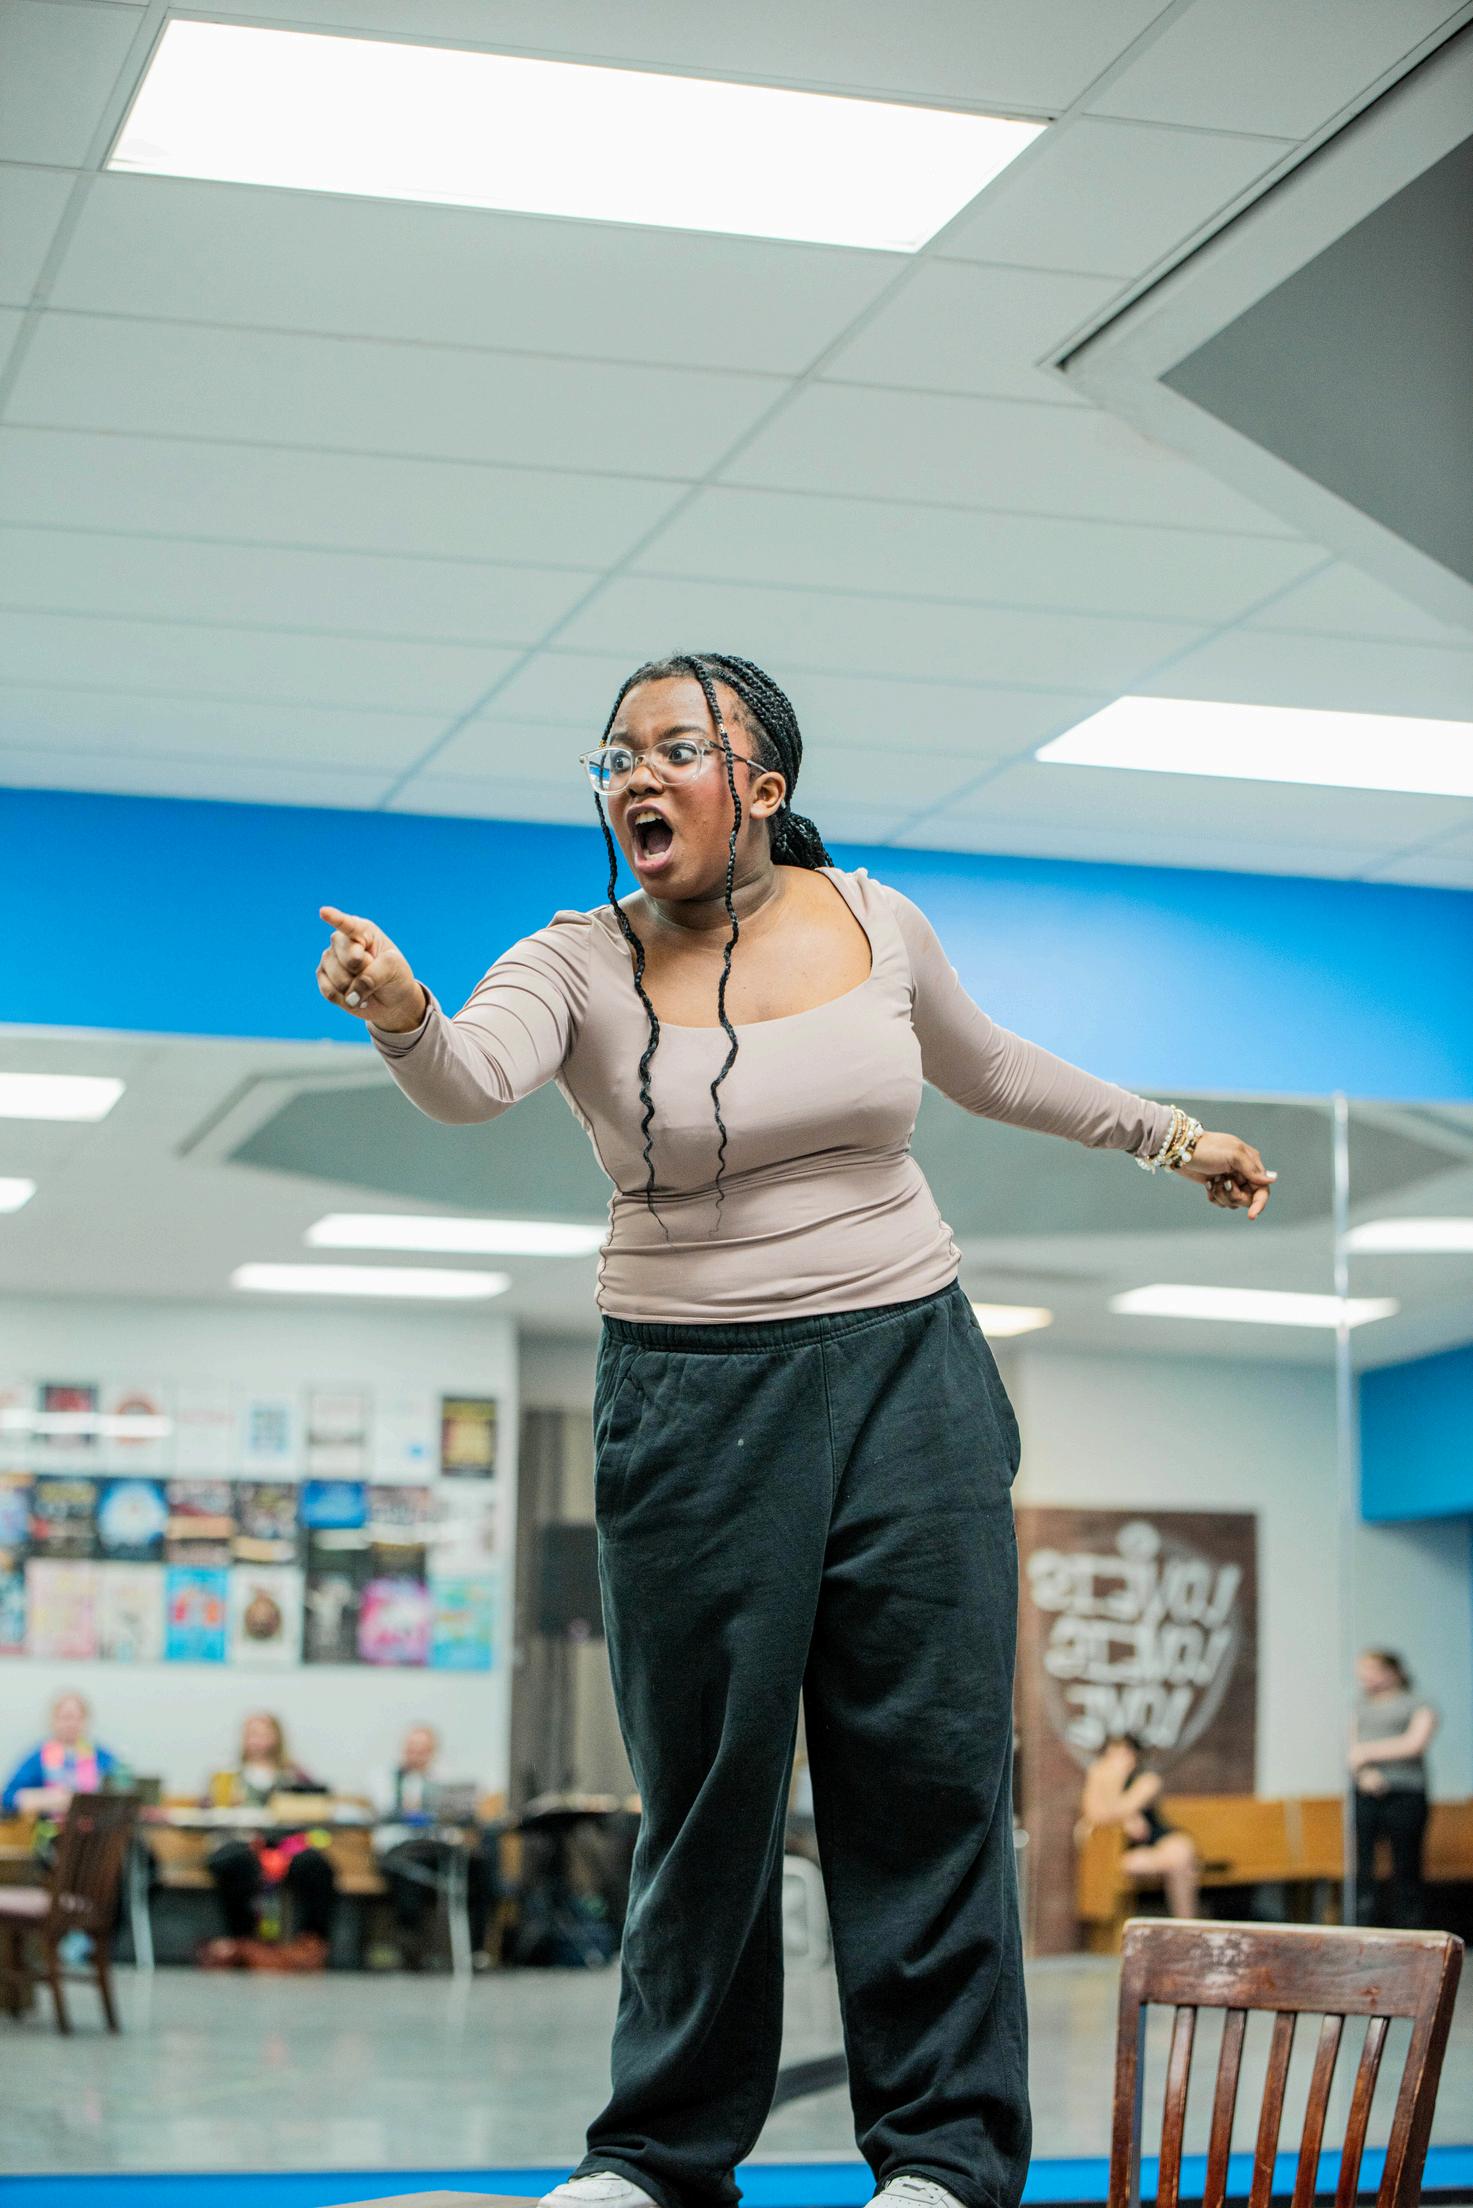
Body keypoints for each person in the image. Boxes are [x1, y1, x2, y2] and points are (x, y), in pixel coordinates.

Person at [315, 651, 1275, 2208]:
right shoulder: (571, 959)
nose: (635, 774)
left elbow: (993, 1067)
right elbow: (473, 1079)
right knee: (708, 1793)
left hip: (909, 1370)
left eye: (674, 747)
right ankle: (657, 2159)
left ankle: (942, 2160)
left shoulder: (877, 920)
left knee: (930, 1775)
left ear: (760, 786)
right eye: (614, 756)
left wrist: (1171, 1137)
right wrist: (404, 1011)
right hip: (689, 1399)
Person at [202, 1712, 338, 1966]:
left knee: (316, 1865)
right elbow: (209, 1813)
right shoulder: (227, 1776)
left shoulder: (295, 1775)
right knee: (234, 1861)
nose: (257, 1740)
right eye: (252, 1734)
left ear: (276, 1737)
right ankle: (244, 1940)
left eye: (263, 1733)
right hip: (241, 1841)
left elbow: (315, 1816)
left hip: (285, 1844)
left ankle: (311, 1942)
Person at [369, 1722, 497, 1968]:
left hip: (438, 1848)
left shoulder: (445, 1779)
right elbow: (384, 1813)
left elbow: (458, 1817)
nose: (416, 1755)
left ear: (433, 1752)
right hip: (400, 1849)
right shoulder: (386, 1778)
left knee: (480, 1865)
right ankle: (410, 1954)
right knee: (410, 1872)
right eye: (412, 1748)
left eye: (423, 1749)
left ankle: (476, 1951)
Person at [1349, 1649, 1438, 1928]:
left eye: (1372, 1669)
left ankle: (1409, 1927)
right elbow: (1351, 1748)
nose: (1365, 1677)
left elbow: (1415, 1743)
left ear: (1392, 1671)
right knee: (1364, 1865)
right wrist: (1363, 1773)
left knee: (1406, 1864)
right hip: (1367, 1792)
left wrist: (1367, 1752)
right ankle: (1364, 1926)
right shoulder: (1360, 1705)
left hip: (1406, 1793)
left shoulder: (1417, 1703)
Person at [1079, 1734, 1200, 1919]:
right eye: (1112, 1756)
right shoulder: (1100, 1778)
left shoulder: (1147, 1780)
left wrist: (1125, 1814)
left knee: (1180, 1853)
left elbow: (1121, 1808)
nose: (1116, 1762)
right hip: (1123, 1850)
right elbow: (1095, 1815)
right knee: (1140, 1864)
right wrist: (1110, 1782)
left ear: (1134, 1756)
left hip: (1156, 1839)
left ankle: (1186, 1923)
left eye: (1123, 1754)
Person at [1, 1690, 120, 1816]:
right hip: (50, 1826)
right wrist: (47, 1799)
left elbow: (125, 1789)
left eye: (78, 1718)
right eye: (66, 1717)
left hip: (94, 1825)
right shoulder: (38, 1758)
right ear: (54, 1720)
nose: (71, 1724)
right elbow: (7, 1798)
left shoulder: (102, 1757)